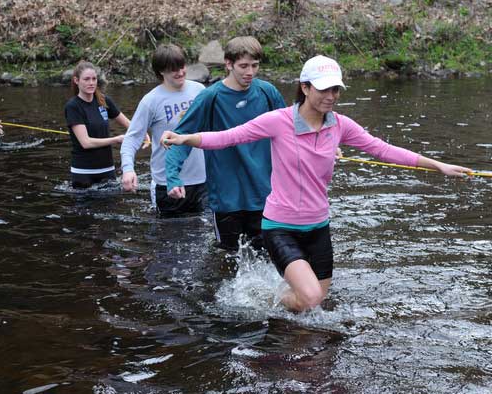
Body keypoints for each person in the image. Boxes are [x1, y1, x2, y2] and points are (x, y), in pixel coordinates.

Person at [161, 55, 472, 312]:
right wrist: (185, 138)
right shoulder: (279, 121)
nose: (331, 96)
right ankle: (260, 298)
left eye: (336, 90)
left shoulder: (340, 126)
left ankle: (280, 308)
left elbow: (384, 150)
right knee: (310, 298)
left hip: (318, 227)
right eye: (324, 89)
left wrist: (438, 166)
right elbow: (230, 137)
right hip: (280, 226)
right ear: (305, 87)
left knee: (315, 301)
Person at [165, 36, 286, 250]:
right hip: (225, 197)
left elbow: (289, 131)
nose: (250, 72)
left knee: (269, 258)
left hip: (264, 193)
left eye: (255, 65)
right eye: (243, 66)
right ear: (229, 64)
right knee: (227, 259)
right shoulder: (210, 97)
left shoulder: (267, 92)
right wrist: (173, 177)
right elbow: (182, 137)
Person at [121, 44, 206, 216]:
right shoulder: (151, 101)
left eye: (182, 67)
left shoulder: (200, 91)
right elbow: (132, 138)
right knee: (169, 238)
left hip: (203, 180)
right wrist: (128, 169)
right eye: (173, 70)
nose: (180, 72)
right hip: (168, 184)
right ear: (161, 72)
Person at [65, 61, 133, 189]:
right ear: (76, 80)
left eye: (94, 79)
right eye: (86, 79)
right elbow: (86, 142)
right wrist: (116, 139)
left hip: (107, 170)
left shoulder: (104, 101)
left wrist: (143, 133)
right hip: (83, 173)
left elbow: (129, 124)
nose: (91, 83)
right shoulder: (73, 106)